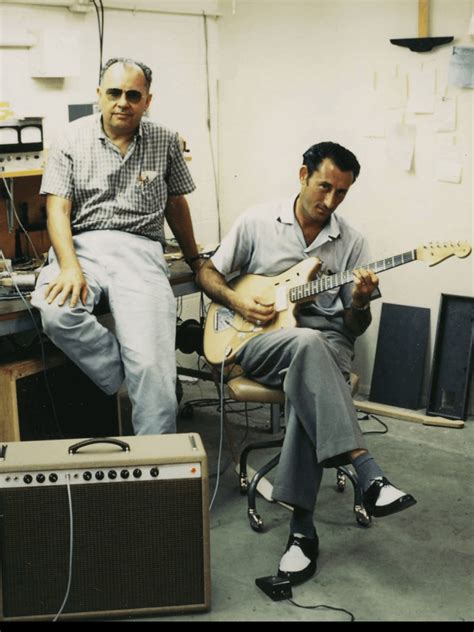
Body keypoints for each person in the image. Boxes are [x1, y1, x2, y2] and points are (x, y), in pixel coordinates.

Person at [197, 141, 416, 585]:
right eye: (324, 187)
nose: (330, 201)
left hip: (326, 343)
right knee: (308, 351)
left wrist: (357, 302)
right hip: (258, 340)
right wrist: (239, 299)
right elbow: (206, 272)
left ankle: (303, 536)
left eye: (341, 193)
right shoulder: (258, 221)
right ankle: (366, 473)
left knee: (311, 356)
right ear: (302, 175)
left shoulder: (352, 242)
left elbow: (353, 328)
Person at [31, 57, 204, 435]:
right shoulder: (70, 138)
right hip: (83, 247)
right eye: (113, 93)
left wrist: (196, 260)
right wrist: (69, 266)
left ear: (147, 100)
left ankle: (157, 475)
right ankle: (122, 371)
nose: (122, 102)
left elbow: (176, 203)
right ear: (98, 95)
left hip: (140, 250)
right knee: (55, 310)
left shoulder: (165, 140)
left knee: (155, 370)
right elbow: (56, 209)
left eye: (133, 95)